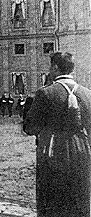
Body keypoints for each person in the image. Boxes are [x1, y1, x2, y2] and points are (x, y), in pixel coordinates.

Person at [24, 52, 91, 217]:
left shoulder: (45, 93)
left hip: (53, 149)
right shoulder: (87, 93)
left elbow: (30, 127)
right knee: (79, 195)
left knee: (51, 197)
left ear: (54, 68)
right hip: (82, 149)